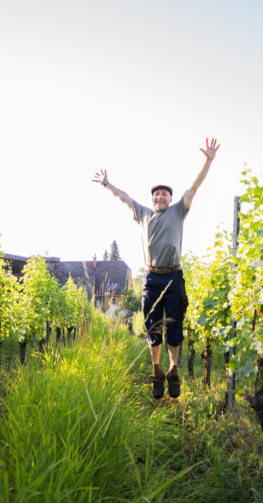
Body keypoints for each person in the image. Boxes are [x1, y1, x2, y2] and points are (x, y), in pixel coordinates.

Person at [93, 138, 220, 399]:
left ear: (171, 198)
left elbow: (195, 185)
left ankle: (174, 370)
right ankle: (157, 371)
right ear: (152, 199)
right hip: (152, 278)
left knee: (174, 329)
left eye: (164, 194)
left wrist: (208, 160)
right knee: (154, 329)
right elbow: (125, 198)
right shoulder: (143, 214)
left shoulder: (178, 211)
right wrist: (107, 184)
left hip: (174, 276)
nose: (160, 196)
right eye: (156, 194)